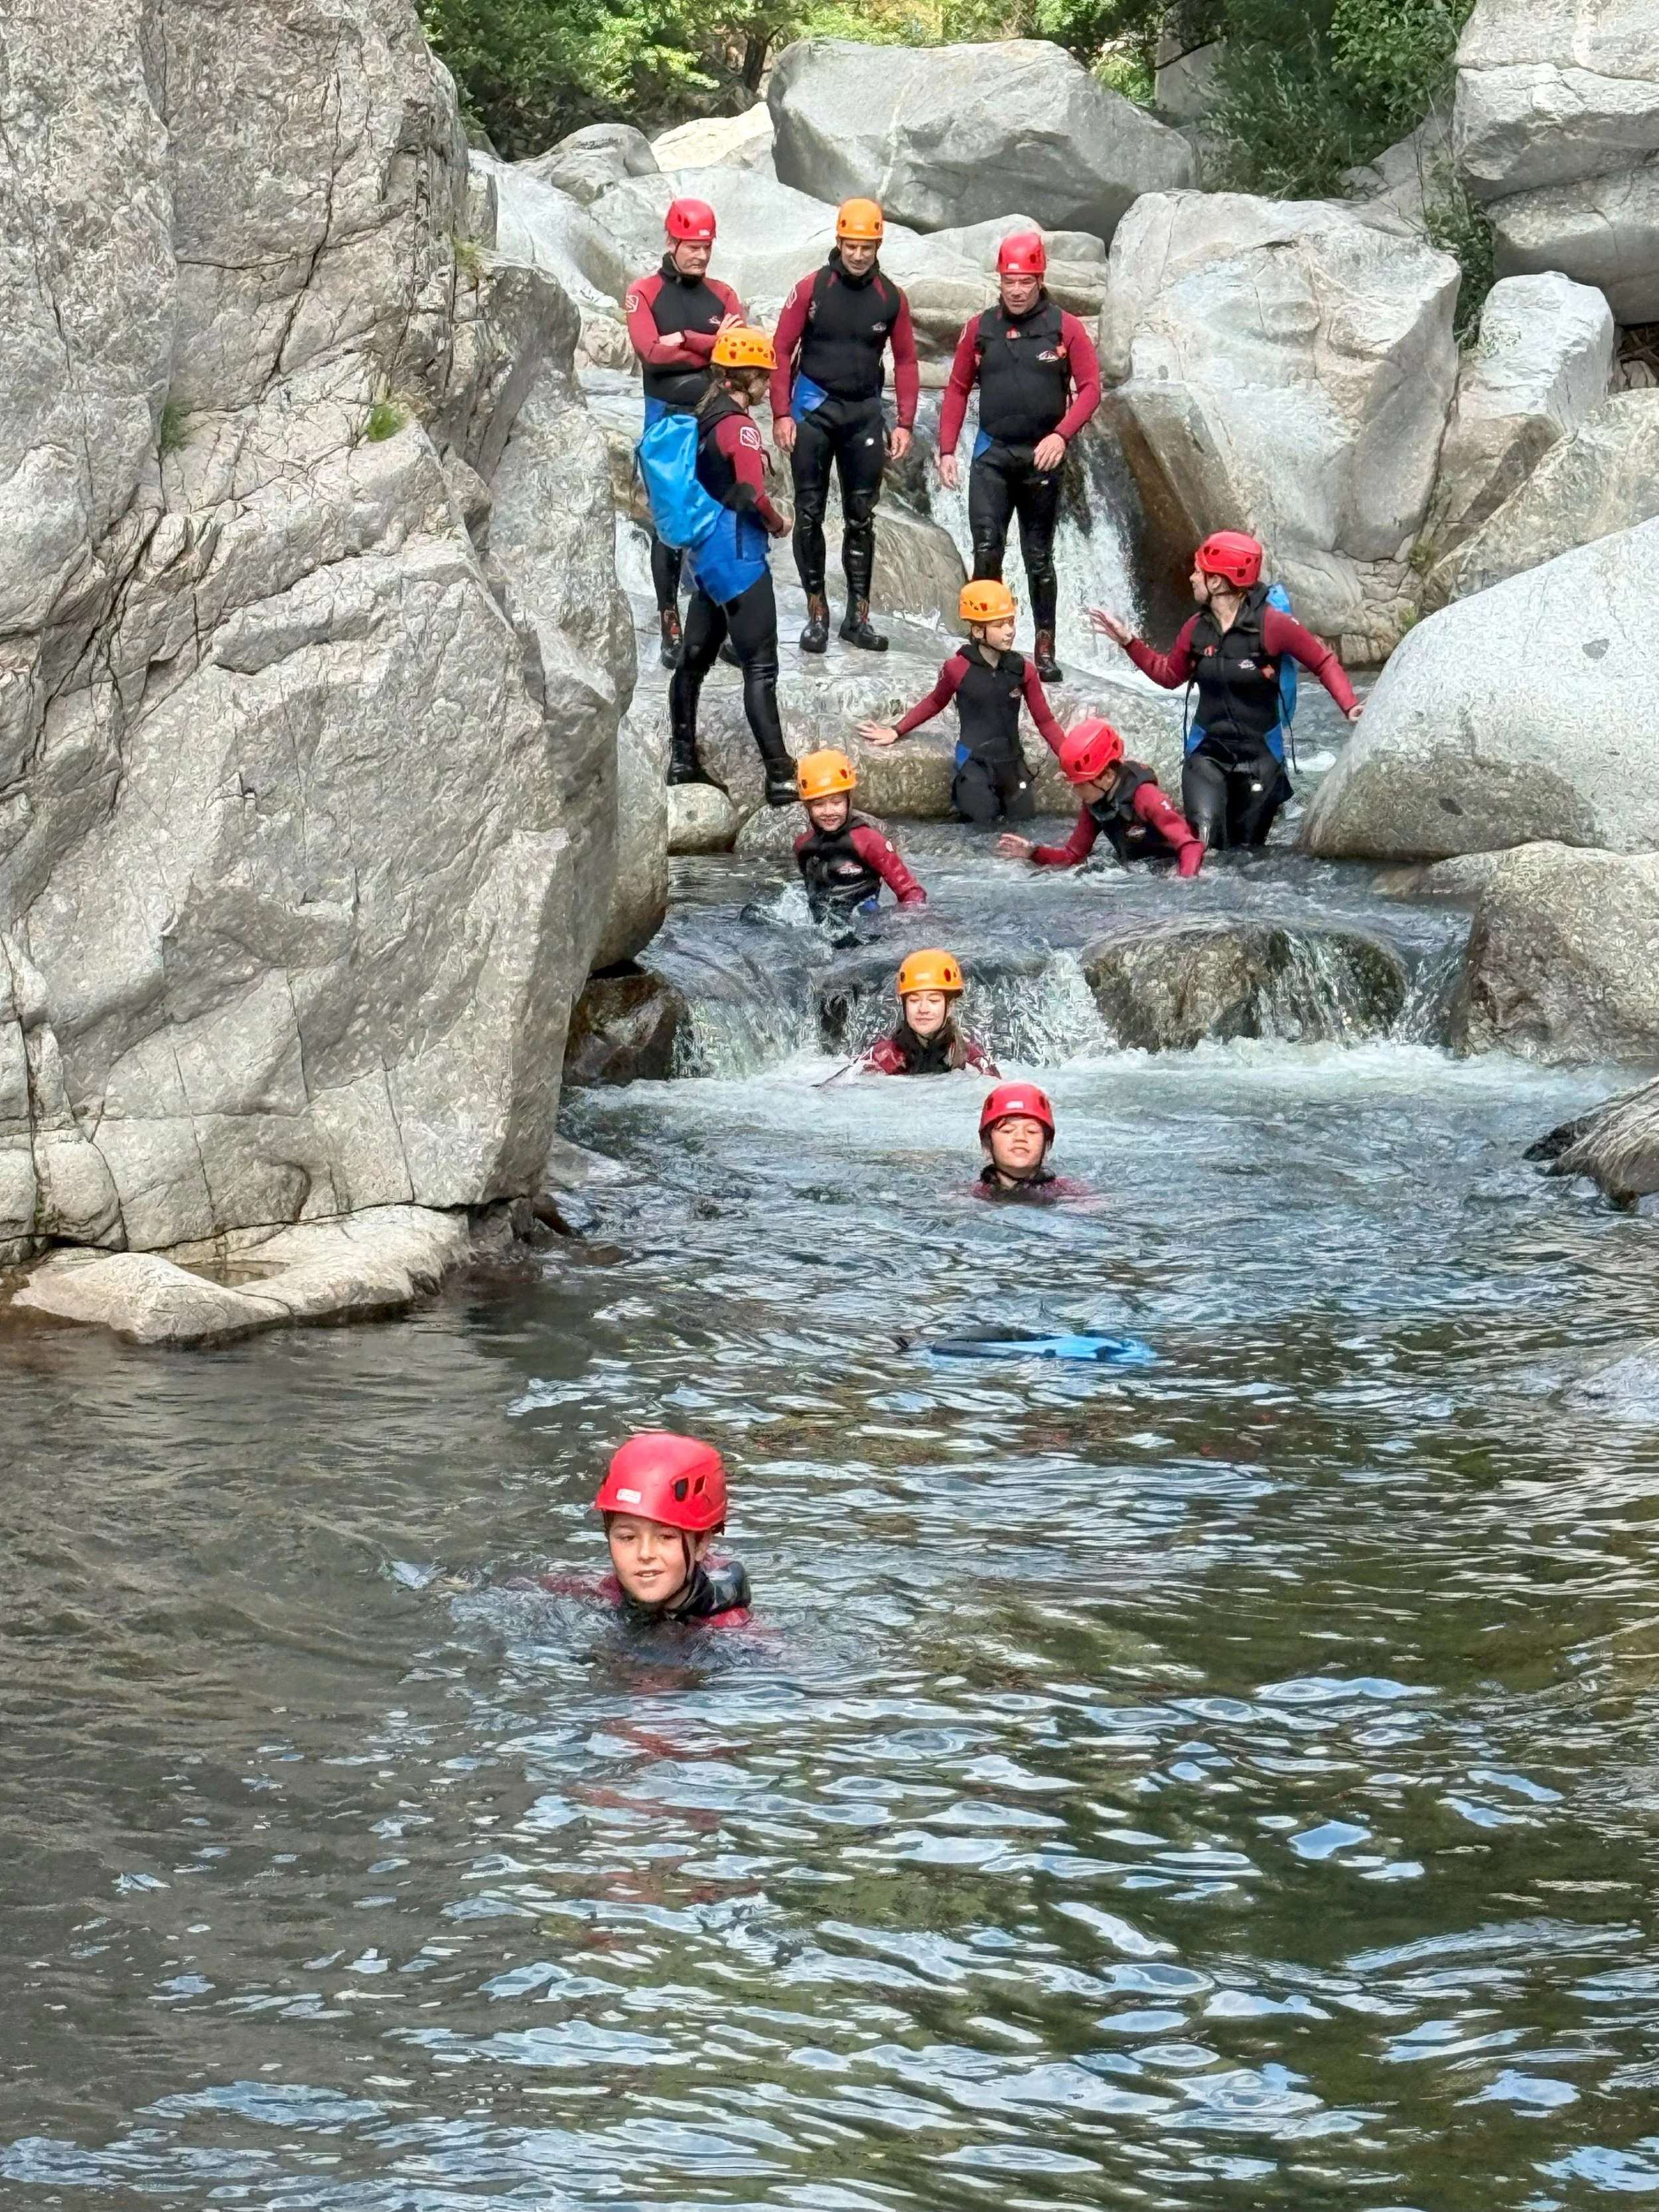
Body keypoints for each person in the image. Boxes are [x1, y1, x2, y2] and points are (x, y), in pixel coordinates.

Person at [1089, 530, 1364, 853]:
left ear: (1217, 582)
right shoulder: (1196, 628)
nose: (1192, 578)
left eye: (1198, 571)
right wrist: (1128, 641)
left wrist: (1350, 705)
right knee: (1204, 850)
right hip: (1207, 757)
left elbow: (1323, 661)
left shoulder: (1273, 625)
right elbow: (1168, 676)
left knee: (1247, 856)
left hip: (1261, 759)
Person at [938, 232, 1102, 684]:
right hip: (992, 453)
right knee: (987, 548)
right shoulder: (981, 328)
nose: (1016, 290)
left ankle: (1044, 647)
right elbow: (957, 388)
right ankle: (983, 641)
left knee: (1038, 556)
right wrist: (947, 449)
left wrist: (1062, 436)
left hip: (1041, 457)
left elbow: (1091, 389)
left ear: (1040, 280)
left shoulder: (1065, 327)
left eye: (1025, 281)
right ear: (999, 280)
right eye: (1009, 281)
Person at [770, 198, 919, 656]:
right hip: (813, 411)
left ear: (878, 246)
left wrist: (905, 422)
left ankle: (858, 619)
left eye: (866, 247)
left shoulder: (890, 298)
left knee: (861, 517)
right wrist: (780, 413)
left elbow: (907, 361)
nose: (858, 254)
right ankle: (817, 614)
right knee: (810, 513)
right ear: (838, 242)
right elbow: (780, 350)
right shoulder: (812, 288)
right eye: (851, 245)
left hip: (864, 416)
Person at [670, 326, 799, 805]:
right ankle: (780, 776)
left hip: (706, 560)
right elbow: (751, 494)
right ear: (751, 378)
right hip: (740, 557)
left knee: (693, 661)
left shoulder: (705, 414)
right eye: (765, 377)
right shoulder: (741, 427)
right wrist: (779, 523)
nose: (768, 385)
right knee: (761, 670)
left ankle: (682, 759)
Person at [625, 198, 744, 669]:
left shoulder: (723, 294)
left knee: (721, 515)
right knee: (670, 522)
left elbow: (740, 354)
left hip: (716, 416)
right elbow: (652, 354)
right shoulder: (644, 293)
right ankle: (670, 619)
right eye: (693, 246)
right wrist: (715, 346)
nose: (701, 255)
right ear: (671, 242)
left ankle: (718, 620)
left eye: (707, 247)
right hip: (666, 417)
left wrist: (691, 341)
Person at [858, 580, 1065, 826]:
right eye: (999, 625)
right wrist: (896, 730)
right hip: (973, 766)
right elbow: (935, 702)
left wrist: (1070, 757)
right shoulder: (957, 668)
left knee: (1025, 826)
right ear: (977, 631)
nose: (1009, 631)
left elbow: (1045, 721)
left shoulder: (1023, 670)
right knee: (982, 828)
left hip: (1012, 767)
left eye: (1011, 622)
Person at [998, 717, 1204, 877]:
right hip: (1138, 873)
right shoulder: (1095, 803)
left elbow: (1191, 846)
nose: (1076, 791)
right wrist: (1032, 852)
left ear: (1107, 776)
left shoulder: (1146, 796)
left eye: (1080, 784)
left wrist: (1184, 883)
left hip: (1169, 868)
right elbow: (1073, 856)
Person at [593, 1432, 751, 1627]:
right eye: (627, 1537)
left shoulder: (731, 1629)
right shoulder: (601, 1596)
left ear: (701, 1544)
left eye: (666, 1537)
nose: (645, 1554)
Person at [794, 749, 926, 922]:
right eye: (819, 805)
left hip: (865, 924)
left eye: (836, 802)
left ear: (849, 801)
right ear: (807, 807)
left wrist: (912, 921)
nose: (829, 811)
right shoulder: (803, 846)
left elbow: (910, 891)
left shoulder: (869, 842)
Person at [861, 949, 999, 1075]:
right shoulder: (879, 1059)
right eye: (914, 1000)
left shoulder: (972, 1062)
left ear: (950, 1006)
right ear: (903, 1005)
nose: (923, 1009)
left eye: (934, 1000)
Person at [974, 1081, 1083, 1201]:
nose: (1020, 1137)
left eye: (1032, 1131)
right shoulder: (971, 1195)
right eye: (1007, 1131)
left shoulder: (1072, 1195)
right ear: (987, 1144)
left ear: (1047, 1144)